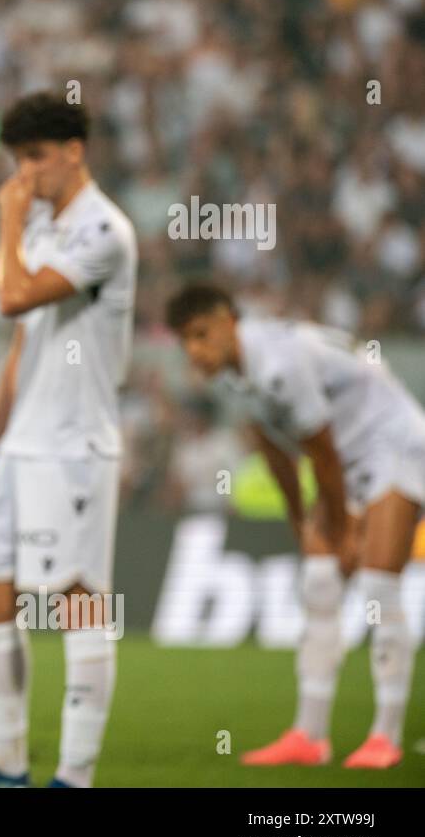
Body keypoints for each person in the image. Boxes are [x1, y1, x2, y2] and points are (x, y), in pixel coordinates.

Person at [0, 92, 137, 787]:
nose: (24, 175)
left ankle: (75, 775)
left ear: (73, 151)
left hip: (75, 445)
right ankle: (3, 762)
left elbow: (13, 299)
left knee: (78, 601)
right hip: (21, 442)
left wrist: (6, 220)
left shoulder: (104, 232)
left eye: (34, 158)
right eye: (16, 161)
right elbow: (19, 349)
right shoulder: (43, 229)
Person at [166, 282, 421, 769]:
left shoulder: (278, 362)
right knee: (320, 585)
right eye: (185, 342)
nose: (194, 351)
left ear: (227, 321)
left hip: (392, 444)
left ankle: (384, 737)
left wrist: (344, 530)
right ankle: (310, 735)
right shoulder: (231, 372)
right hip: (344, 454)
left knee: (378, 586)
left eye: (201, 335)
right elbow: (275, 449)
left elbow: (320, 449)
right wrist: (301, 522)